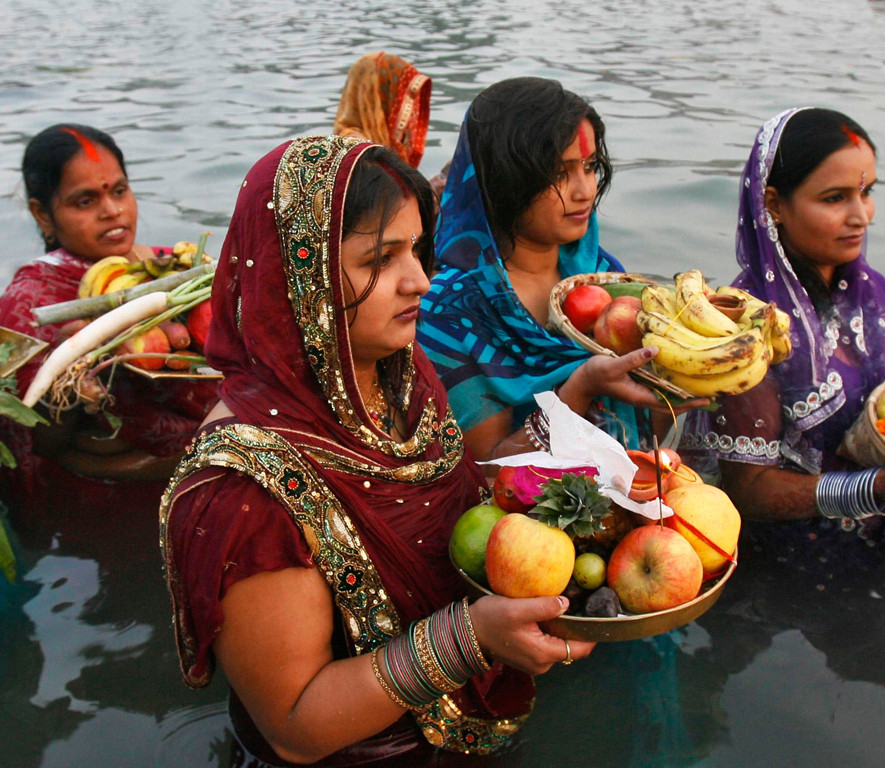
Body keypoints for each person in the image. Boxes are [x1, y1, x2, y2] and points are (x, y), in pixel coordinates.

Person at [160, 135, 593, 767]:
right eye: (379, 259)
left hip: (470, 731)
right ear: (299, 280)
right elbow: (294, 726)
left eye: (416, 250)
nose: (420, 280)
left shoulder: (399, 375)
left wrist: (579, 409)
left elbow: (470, 504)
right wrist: (470, 638)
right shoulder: (242, 488)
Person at [680, 107, 885, 532]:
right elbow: (745, 492)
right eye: (835, 198)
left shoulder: (871, 292)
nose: (862, 216)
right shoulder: (747, 328)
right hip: (788, 564)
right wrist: (870, 490)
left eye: (867, 192)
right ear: (774, 204)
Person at [418, 77, 704, 462]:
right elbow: (486, 470)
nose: (584, 190)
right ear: (503, 179)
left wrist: (673, 390)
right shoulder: (450, 309)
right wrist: (580, 388)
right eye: (559, 173)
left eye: (589, 167)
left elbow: (635, 434)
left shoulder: (601, 276)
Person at [0, 124, 217, 510]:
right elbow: (39, 441)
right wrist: (70, 377)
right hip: (97, 504)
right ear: (42, 214)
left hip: (198, 476)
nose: (113, 211)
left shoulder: (174, 268)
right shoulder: (31, 301)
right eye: (85, 201)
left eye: (119, 191)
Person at [334, 52, 431, 170]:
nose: (410, 113)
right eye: (402, 99)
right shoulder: (359, 152)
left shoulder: (374, 142)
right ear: (380, 98)